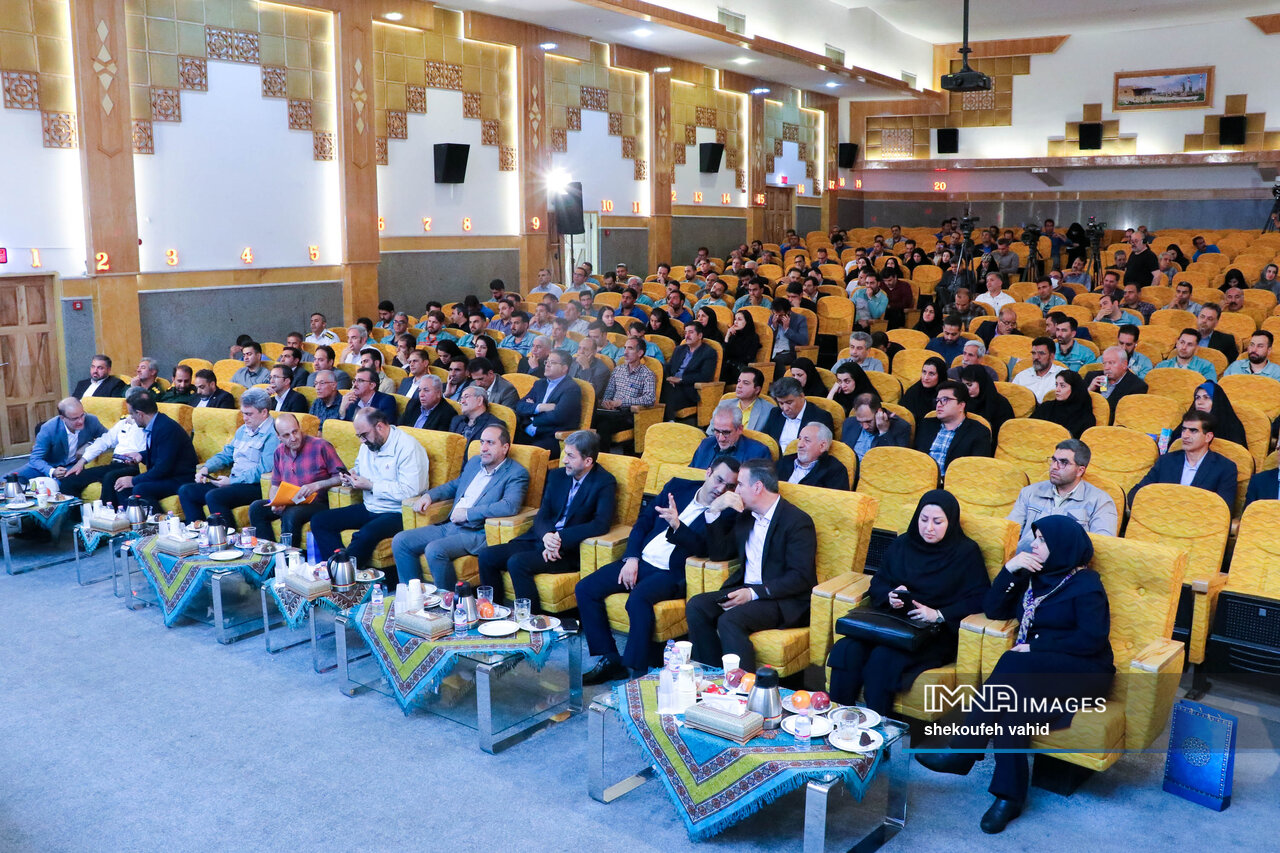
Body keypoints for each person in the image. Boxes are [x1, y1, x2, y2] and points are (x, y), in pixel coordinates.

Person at [916, 515, 1114, 834]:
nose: (1033, 544)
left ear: (1062, 546)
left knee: (1012, 660)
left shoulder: (1086, 585)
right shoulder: (1034, 575)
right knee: (1013, 712)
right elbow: (994, 609)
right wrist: (1010, 569)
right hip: (1037, 670)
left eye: (1042, 540)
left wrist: (1036, 648)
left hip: (1084, 672)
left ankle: (965, 749)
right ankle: (1009, 797)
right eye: (1035, 537)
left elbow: (1092, 640)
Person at [578, 458, 740, 683]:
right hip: (642, 561)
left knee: (638, 599)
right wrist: (632, 558)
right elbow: (643, 523)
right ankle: (611, 659)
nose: (721, 489)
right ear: (708, 472)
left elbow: (706, 550)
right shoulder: (677, 487)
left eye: (730, 486)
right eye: (719, 480)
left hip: (671, 573)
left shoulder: (728, 512)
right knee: (585, 588)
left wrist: (678, 526)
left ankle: (637, 671)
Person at [828, 490, 989, 714]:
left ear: (950, 522)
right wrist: (890, 595)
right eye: (924, 520)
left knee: (883, 659)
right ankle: (840, 718)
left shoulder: (965, 552)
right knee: (847, 649)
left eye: (937, 522)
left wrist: (938, 614)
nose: (929, 528)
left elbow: (980, 598)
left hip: (933, 632)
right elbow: (878, 582)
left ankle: (879, 728)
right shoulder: (904, 543)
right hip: (891, 623)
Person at [685, 459, 817, 670]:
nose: (735, 491)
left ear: (757, 487)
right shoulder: (745, 516)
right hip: (747, 589)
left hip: (782, 599)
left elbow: (800, 577)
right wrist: (713, 511)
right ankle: (712, 674)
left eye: (740, 485)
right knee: (697, 606)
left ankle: (743, 684)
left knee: (730, 620)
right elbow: (720, 554)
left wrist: (753, 593)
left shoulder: (797, 521)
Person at [477, 430, 615, 611]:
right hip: (540, 539)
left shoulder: (604, 482)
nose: (564, 460)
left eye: (571, 456)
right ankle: (494, 612)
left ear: (588, 461)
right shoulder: (557, 476)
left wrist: (560, 538)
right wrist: (547, 535)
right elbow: (543, 514)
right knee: (486, 556)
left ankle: (531, 620)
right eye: (565, 454)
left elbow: (600, 524)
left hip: (567, 551)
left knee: (517, 562)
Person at [392, 424, 529, 589]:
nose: (484, 448)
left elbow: (509, 506)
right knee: (401, 541)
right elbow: (454, 485)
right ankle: (413, 595)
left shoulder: (516, 473)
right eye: (482, 442)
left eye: (490, 443)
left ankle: (449, 600)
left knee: (435, 549)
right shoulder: (475, 462)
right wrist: (429, 496)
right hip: (450, 525)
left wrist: (468, 514)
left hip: (476, 532)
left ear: (505, 448)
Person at [310, 408, 429, 583]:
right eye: (359, 436)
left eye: (364, 435)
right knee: (320, 521)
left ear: (380, 427)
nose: (362, 440)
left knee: (364, 535)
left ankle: (344, 579)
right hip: (370, 506)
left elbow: (411, 490)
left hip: (397, 512)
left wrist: (372, 486)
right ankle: (338, 568)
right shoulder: (369, 444)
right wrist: (351, 475)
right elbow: (359, 466)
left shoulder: (408, 447)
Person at [177, 388, 279, 522]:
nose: (244, 418)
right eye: (243, 413)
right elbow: (226, 454)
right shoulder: (243, 430)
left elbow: (264, 469)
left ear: (264, 412)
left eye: (249, 414)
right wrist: (206, 468)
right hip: (234, 480)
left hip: (254, 486)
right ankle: (198, 530)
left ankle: (226, 533)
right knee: (186, 490)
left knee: (214, 496)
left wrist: (232, 481)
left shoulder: (273, 433)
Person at [246, 413, 344, 544]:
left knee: (291, 513)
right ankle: (269, 550)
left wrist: (317, 485)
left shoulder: (321, 446)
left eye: (295, 432)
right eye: (286, 435)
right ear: (279, 436)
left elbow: (341, 477)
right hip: (290, 501)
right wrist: (275, 502)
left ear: (299, 427)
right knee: (256, 508)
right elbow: (275, 484)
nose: (293, 438)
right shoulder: (279, 452)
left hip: (316, 502)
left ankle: (289, 554)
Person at [1007, 440, 1117, 550]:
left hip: (1067, 560)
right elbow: (1009, 533)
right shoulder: (1030, 492)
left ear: (1080, 471)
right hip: (1025, 556)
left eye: (1063, 462)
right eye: (1054, 460)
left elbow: (1102, 547)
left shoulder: (1100, 501)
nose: (1054, 466)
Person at [107, 389, 197, 510]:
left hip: (180, 478)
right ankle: (128, 518)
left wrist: (133, 480)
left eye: (132, 414)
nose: (131, 418)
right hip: (167, 475)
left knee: (140, 488)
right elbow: (161, 452)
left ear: (140, 414)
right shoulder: (156, 424)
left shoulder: (165, 428)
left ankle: (157, 520)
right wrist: (141, 455)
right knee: (121, 486)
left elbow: (162, 468)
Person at [1129, 410, 1236, 509]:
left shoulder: (1225, 468)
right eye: (1184, 430)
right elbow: (1135, 493)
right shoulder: (1166, 461)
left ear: (1208, 437)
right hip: (1160, 517)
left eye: (1193, 431)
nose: (1185, 435)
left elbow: (1223, 509)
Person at [13, 397, 108, 485]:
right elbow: (35, 458)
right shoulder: (49, 428)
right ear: (62, 418)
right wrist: (52, 471)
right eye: (75, 418)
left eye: (82, 415)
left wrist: (89, 444)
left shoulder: (91, 420)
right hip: (46, 465)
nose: (81, 421)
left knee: (59, 486)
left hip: (71, 466)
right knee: (9, 480)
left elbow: (109, 439)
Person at [913, 380, 992, 477]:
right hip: (920, 479)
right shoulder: (926, 425)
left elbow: (977, 470)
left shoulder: (979, 432)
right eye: (937, 400)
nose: (939, 405)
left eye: (945, 399)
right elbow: (915, 458)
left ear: (961, 405)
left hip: (954, 482)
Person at [593, 337, 658, 448]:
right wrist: (607, 403)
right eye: (625, 348)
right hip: (612, 411)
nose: (625, 352)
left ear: (640, 353)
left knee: (604, 425)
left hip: (630, 414)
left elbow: (650, 398)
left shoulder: (647, 374)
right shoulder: (618, 370)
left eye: (630, 348)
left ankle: (602, 456)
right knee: (591, 418)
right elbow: (609, 392)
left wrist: (622, 402)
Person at [515, 350, 581, 457]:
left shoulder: (571, 388)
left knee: (530, 455)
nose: (547, 365)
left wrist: (532, 414)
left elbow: (558, 416)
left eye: (553, 363)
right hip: (526, 432)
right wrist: (540, 407)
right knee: (504, 446)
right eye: (547, 362)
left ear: (564, 368)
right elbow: (520, 406)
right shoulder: (539, 384)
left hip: (550, 437)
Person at [662, 322, 717, 420]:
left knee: (666, 394)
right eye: (685, 332)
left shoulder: (709, 352)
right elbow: (669, 367)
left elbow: (705, 376)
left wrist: (680, 380)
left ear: (700, 335)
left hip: (688, 389)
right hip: (671, 384)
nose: (687, 336)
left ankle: (669, 421)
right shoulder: (679, 349)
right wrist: (667, 378)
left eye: (691, 332)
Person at [761, 376, 834, 450]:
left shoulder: (821, 417)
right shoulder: (775, 413)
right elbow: (764, 441)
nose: (785, 408)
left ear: (801, 396)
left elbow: (821, 449)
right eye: (781, 403)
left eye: (789, 402)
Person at [692, 402, 771, 467]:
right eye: (716, 431)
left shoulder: (758, 453)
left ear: (740, 429)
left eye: (726, 432)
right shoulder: (705, 444)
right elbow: (691, 475)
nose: (721, 438)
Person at [777, 423, 847, 489]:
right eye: (800, 439)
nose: (799, 445)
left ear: (822, 446)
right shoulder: (785, 461)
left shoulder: (835, 470)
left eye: (807, 440)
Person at [842, 392, 911, 459]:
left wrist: (884, 432)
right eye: (860, 422)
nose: (865, 427)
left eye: (868, 421)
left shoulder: (901, 427)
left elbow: (894, 461)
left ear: (879, 412)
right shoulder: (849, 423)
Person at [1032, 371, 1096, 439]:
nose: (1057, 389)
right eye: (1056, 385)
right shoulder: (1046, 407)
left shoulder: (1086, 417)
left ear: (1074, 389)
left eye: (1062, 386)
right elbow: (1029, 427)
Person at [1090, 345, 1148, 419]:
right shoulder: (1092, 377)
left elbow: (1125, 417)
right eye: (1104, 363)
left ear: (1124, 364)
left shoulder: (1137, 387)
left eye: (1111, 363)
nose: (1106, 367)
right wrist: (1089, 390)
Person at [959, 364, 1014, 442]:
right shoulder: (962, 400)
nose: (966, 389)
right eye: (963, 385)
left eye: (969, 385)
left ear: (981, 383)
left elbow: (1005, 434)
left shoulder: (1001, 404)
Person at [448, 384, 503, 450]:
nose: (462, 401)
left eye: (466, 397)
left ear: (480, 400)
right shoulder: (456, 420)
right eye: (461, 399)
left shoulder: (494, 424)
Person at [1192, 381, 1246, 448]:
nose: (1200, 402)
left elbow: (1238, 453)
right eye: (1197, 397)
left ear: (1216, 401)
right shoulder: (1188, 423)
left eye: (1206, 397)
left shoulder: (1231, 427)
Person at [1012, 336, 1063, 402]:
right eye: (1033, 353)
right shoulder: (1021, 377)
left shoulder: (1063, 375)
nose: (1036, 357)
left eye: (1041, 353)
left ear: (1052, 356)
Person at [901, 356, 947, 424]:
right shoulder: (913, 392)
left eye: (931, 374)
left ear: (940, 376)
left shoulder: (948, 395)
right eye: (924, 372)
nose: (926, 377)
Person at [766, 300, 809, 370]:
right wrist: (773, 328)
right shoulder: (772, 318)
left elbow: (804, 340)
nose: (777, 318)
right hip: (772, 351)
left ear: (788, 312)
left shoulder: (800, 319)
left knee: (777, 360)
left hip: (789, 352)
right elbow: (766, 339)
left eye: (781, 315)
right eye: (775, 314)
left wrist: (787, 329)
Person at [569, 337, 611, 403]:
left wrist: (586, 368)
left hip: (584, 402)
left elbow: (593, 393)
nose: (581, 352)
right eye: (579, 348)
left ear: (594, 352)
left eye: (585, 349)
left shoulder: (602, 370)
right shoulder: (571, 361)